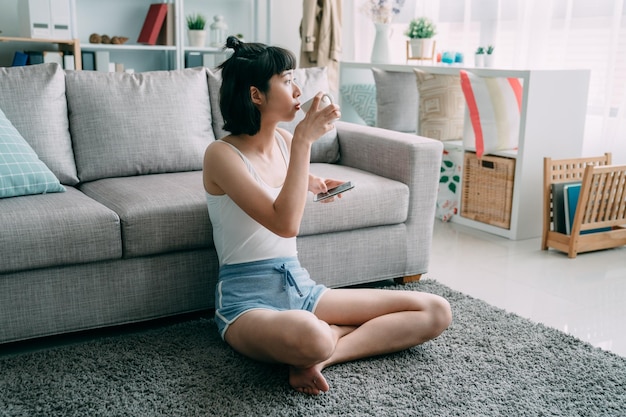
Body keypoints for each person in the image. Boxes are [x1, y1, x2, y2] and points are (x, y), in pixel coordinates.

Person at [203, 36, 452, 396]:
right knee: (312, 333)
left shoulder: (284, 143)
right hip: (246, 303)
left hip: (301, 288)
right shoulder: (221, 155)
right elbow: (284, 222)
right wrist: (304, 139)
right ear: (256, 95)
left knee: (435, 310)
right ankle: (325, 340)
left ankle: (321, 357)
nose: (297, 89)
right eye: (287, 80)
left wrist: (316, 183)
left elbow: (290, 181)